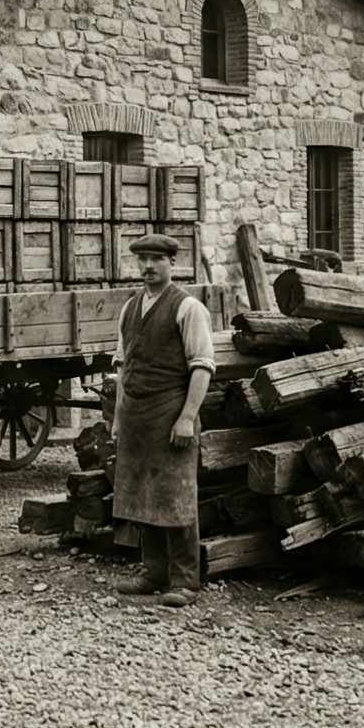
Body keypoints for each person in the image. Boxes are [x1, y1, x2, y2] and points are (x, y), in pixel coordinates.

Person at [108, 232, 212, 606]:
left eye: (157, 260)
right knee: (142, 494)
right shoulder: (130, 308)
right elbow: (124, 368)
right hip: (137, 417)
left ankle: (184, 581)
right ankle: (153, 572)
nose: (149, 266)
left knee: (176, 495)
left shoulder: (188, 308)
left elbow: (202, 367)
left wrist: (187, 417)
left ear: (172, 263)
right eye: (143, 260)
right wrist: (119, 418)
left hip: (172, 414)